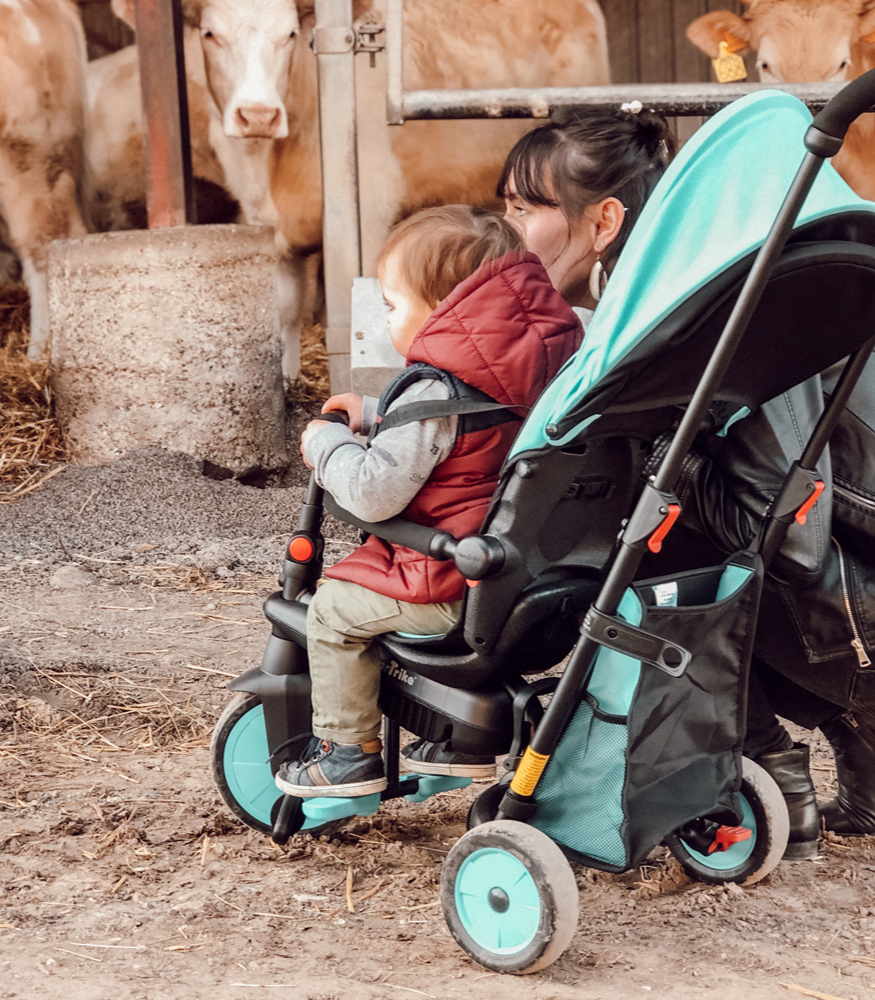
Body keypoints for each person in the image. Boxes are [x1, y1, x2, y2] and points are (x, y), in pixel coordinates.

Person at [274, 205, 582, 798]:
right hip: (528, 582)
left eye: (393, 307)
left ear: (447, 309)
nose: (389, 322)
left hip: (448, 584)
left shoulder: (435, 388)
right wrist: (385, 419)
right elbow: (467, 436)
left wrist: (330, 444)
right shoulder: (537, 372)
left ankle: (346, 753)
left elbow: (374, 489)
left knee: (334, 611)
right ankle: (455, 743)